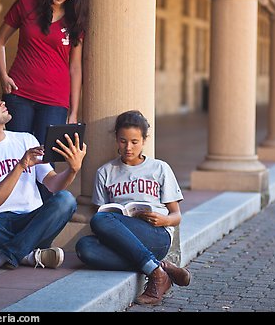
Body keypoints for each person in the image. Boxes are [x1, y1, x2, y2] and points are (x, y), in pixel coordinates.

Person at [0, 82, 86, 271]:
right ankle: (28, 255)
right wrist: (20, 166)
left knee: (66, 200)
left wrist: (72, 169)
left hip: (31, 222)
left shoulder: (26, 139)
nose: (1, 102)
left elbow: (52, 184)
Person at [75, 110, 191, 305]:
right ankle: (159, 268)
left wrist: (164, 220)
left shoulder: (159, 168)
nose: (128, 147)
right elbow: (102, 213)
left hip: (156, 235)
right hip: (123, 236)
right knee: (84, 248)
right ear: (116, 140)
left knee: (100, 221)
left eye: (134, 142)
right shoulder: (105, 172)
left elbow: (176, 215)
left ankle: (157, 274)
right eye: (123, 141)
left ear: (144, 140)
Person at [0, 0, 87, 147]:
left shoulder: (75, 18)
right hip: (19, 94)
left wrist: (74, 111)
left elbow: (75, 67)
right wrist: (3, 76)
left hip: (55, 100)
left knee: (45, 162)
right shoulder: (25, 4)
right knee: (15, 156)